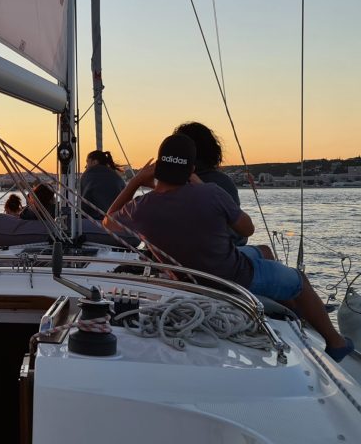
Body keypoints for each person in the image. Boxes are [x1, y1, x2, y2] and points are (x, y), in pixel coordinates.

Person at [103, 133, 354, 362]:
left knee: (264, 251)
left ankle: (291, 310)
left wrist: (134, 182)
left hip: (185, 277)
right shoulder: (211, 193)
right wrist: (201, 186)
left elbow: (107, 222)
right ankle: (336, 342)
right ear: (190, 169)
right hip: (231, 276)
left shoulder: (141, 207)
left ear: (157, 168)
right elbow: (247, 229)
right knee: (298, 280)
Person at [173, 121, 271, 255]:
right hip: (217, 259)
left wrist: (137, 182)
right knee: (266, 252)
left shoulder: (166, 186)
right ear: (211, 150)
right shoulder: (220, 184)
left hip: (176, 258)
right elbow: (243, 232)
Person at [80, 150, 126, 220]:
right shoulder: (116, 176)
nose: (85, 166)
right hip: (119, 220)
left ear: (95, 162)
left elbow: (83, 204)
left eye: (87, 162)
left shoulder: (89, 175)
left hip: (95, 221)